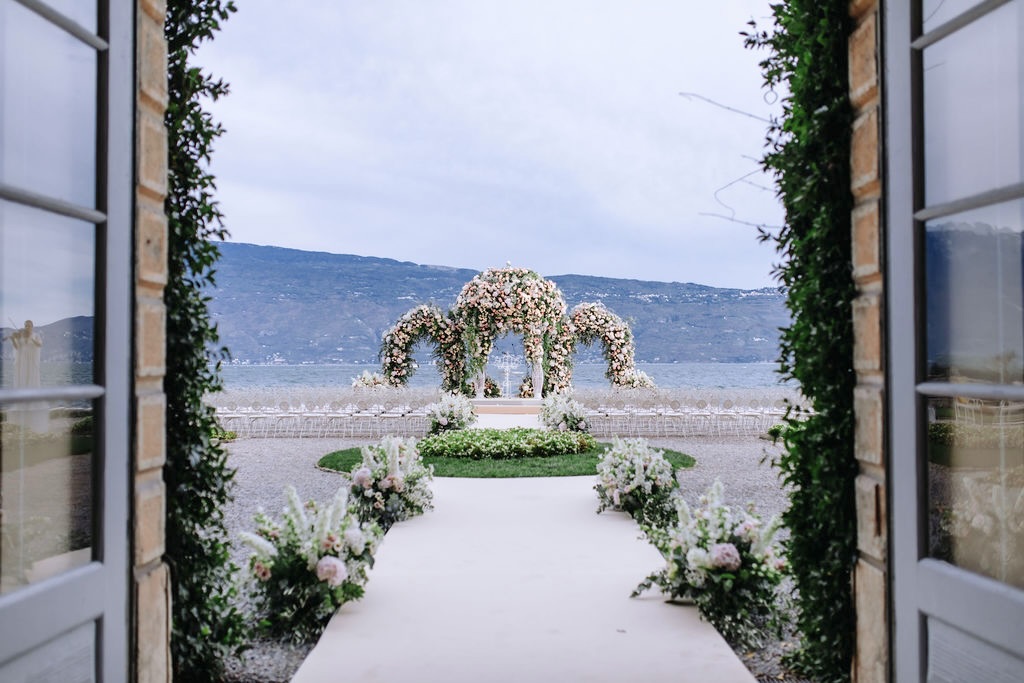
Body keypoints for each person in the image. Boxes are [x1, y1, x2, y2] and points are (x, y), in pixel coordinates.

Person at [5, 320, 43, 388]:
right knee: (22, 375)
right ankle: (21, 394)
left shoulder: (36, 335)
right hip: (22, 359)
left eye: (29, 326)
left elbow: (40, 345)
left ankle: (32, 394)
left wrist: (32, 339)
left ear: (32, 326)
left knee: (32, 375)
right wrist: (13, 339)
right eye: (26, 326)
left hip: (32, 359)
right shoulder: (20, 335)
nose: (27, 327)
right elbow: (16, 347)